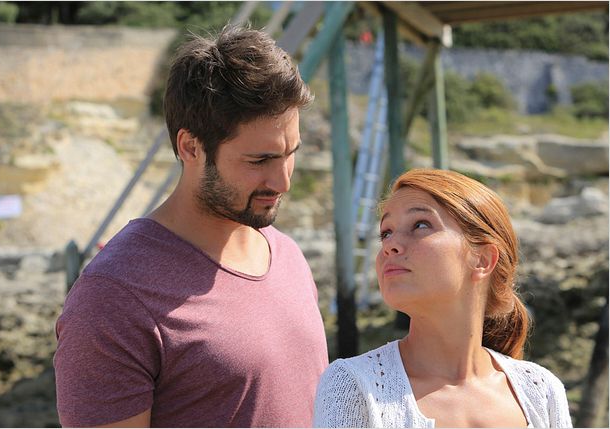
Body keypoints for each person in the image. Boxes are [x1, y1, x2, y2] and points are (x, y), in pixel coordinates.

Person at [54, 26, 329, 427]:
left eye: (290, 153)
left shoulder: (287, 255)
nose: (283, 181)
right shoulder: (113, 296)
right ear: (190, 147)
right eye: (260, 160)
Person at [313, 168, 572, 428]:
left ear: (482, 260)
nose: (389, 245)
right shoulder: (353, 387)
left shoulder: (541, 392)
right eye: (386, 232)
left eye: (420, 225)